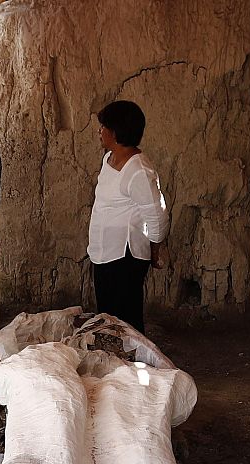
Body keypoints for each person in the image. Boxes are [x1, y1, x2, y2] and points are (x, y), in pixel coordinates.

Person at [87, 100, 167, 333]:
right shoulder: (109, 159)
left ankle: (132, 366)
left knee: (126, 322)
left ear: (115, 131)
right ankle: (116, 365)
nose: (99, 132)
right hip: (105, 255)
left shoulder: (138, 170)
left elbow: (156, 215)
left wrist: (155, 249)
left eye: (103, 127)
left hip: (125, 257)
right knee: (109, 319)